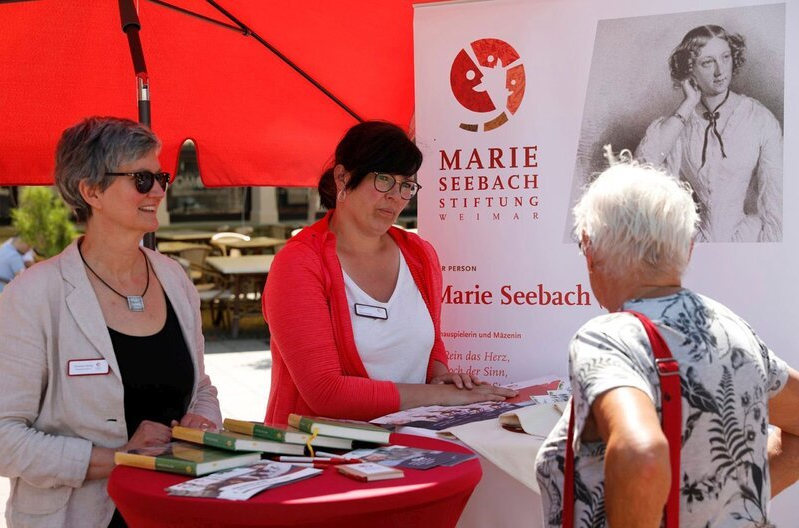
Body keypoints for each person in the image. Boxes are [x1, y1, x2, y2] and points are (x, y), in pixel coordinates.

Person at [534, 155, 799, 527]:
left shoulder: (609, 337)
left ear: (589, 249)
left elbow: (640, 455)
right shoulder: (734, 328)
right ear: (688, 248)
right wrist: (729, 509)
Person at [0, 116, 222, 528]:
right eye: (141, 179)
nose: (157, 191)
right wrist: (118, 458)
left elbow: (201, 388)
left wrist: (202, 420)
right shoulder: (33, 295)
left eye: (161, 177)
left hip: (176, 509)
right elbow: (4, 439)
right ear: (91, 191)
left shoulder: (173, 277)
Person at [262, 121, 515, 425]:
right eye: (384, 179)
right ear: (343, 177)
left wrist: (441, 380)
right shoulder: (299, 263)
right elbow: (325, 393)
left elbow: (430, 346)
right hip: (321, 456)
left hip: (412, 445)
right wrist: (439, 396)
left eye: (406, 184)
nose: (396, 195)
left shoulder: (419, 254)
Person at [635, 24, 783, 242]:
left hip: (747, 238)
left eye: (725, 57)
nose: (720, 71)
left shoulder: (759, 119)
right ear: (690, 70)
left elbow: (776, 201)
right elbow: (643, 167)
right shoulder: (680, 123)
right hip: (694, 240)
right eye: (707, 62)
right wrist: (688, 104)